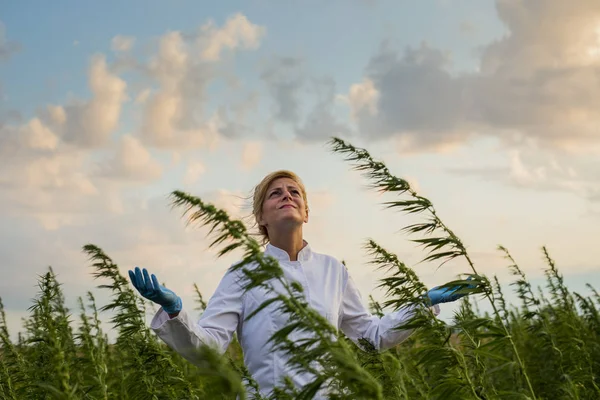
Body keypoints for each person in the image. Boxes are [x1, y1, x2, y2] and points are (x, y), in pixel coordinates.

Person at [128, 170, 472, 398]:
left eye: (294, 192)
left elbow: (372, 336)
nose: (287, 195)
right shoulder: (243, 273)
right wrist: (176, 313)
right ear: (261, 217)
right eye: (275, 193)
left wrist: (422, 304)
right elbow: (211, 347)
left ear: (306, 212)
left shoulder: (333, 270)